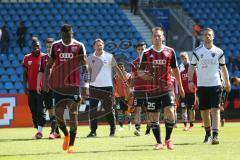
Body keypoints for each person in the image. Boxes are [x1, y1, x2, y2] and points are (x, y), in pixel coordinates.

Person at [44, 24, 89, 153]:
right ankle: (66, 135)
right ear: (61, 35)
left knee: (73, 114)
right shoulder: (56, 46)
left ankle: (72, 145)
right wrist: (46, 82)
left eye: (69, 35)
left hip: (73, 87)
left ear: (72, 33)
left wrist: (85, 85)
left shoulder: (79, 46)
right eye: (65, 35)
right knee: (59, 116)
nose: (67, 37)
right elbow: (49, 66)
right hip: (58, 86)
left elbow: (85, 66)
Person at [138, 26, 185, 150]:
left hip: (167, 88)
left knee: (170, 112)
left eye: (159, 35)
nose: (157, 38)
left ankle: (168, 139)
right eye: (155, 36)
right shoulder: (147, 53)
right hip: (152, 90)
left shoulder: (170, 51)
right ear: (152, 38)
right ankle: (159, 142)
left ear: (163, 37)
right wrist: (145, 75)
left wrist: (180, 86)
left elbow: (175, 69)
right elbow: (140, 72)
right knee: (153, 116)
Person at [188, 27, 231, 145]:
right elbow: (191, 67)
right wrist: (190, 81)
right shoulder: (197, 52)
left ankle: (215, 135)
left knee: (215, 109)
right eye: (205, 34)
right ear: (203, 37)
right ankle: (207, 134)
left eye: (209, 34)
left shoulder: (219, 51)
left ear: (213, 37)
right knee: (204, 111)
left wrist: (227, 82)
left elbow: (223, 67)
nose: (207, 36)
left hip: (216, 84)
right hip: (202, 86)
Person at [86, 38, 129, 138]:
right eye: (97, 45)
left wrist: (125, 81)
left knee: (108, 110)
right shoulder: (90, 57)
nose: (99, 46)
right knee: (93, 110)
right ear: (94, 46)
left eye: (101, 45)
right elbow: (87, 72)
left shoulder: (109, 57)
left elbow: (117, 70)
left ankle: (112, 130)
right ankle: (93, 131)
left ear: (103, 45)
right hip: (94, 87)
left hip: (107, 87)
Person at [36, 38, 60, 139]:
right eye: (48, 47)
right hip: (46, 88)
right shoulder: (43, 58)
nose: (49, 48)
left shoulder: (59, 58)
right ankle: (56, 132)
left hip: (57, 88)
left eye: (51, 46)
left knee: (56, 109)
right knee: (50, 109)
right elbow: (41, 72)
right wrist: (38, 85)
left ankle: (53, 132)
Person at [23, 37, 46, 139]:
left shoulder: (45, 57)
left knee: (40, 110)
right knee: (33, 110)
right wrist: (25, 86)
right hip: (31, 89)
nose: (36, 48)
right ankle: (38, 128)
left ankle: (40, 131)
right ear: (31, 47)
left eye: (37, 46)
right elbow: (24, 73)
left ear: (40, 46)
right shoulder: (27, 58)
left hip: (41, 89)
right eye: (34, 46)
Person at [130, 42, 150, 136]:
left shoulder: (150, 61)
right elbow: (133, 77)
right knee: (137, 109)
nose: (141, 51)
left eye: (143, 49)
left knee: (149, 109)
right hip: (138, 89)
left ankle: (148, 130)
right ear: (136, 50)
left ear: (146, 49)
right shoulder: (134, 63)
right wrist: (131, 88)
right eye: (139, 49)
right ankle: (138, 129)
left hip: (149, 89)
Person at [179, 52, 197, 131]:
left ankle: (191, 125)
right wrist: (179, 90)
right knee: (183, 108)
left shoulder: (192, 67)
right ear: (181, 59)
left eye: (185, 58)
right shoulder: (180, 67)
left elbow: (196, 78)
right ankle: (185, 125)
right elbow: (178, 80)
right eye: (183, 58)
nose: (184, 60)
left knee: (191, 108)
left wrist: (196, 88)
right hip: (183, 92)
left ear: (188, 58)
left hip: (192, 91)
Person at [114, 63, 132, 131]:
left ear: (124, 67)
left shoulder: (128, 75)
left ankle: (129, 124)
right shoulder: (115, 76)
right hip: (118, 96)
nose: (121, 68)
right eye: (119, 67)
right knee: (119, 112)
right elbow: (115, 86)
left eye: (122, 67)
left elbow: (131, 85)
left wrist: (130, 95)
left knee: (127, 112)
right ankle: (121, 126)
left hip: (126, 96)